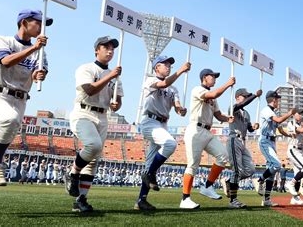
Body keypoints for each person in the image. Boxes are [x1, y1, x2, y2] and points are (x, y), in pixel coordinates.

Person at [0, 9, 51, 216]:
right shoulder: (2, 40)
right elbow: (6, 61)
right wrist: (34, 49)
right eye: (39, 23)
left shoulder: (41, 51)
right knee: (8, 120)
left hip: (20, 99)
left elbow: (40, 73)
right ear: (24, 22)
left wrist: (39, 74)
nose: (41, 28)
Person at [65, 36, 124, 213]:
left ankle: (80, 199)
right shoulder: (87, 68)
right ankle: (72, 173)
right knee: (93, 145)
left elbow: (118, 100)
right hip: (84, 112)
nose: (110, 50)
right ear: (96, 50)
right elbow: (89, 90)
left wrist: (116, 104)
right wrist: (110, 76)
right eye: (105, 46)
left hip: (103, 116)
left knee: (93, 161)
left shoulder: (116, 77)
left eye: (112, 47)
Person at [135, 55, 190, 211]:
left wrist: (181, 110)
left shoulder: (174, 89)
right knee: (170, 143)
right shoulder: (150, 80)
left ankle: (141, 200)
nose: (168, 66)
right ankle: (151, 173)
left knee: (148, 164)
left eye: (170, 64)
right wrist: (180, 71)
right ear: (156, 67)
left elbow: (178, 107)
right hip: (149, 121)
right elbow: (164, 83)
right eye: (164, 64)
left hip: (163, 124)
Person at [180, 68, 235, 209]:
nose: (215, 79)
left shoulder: (213, 98)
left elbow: (218, 115)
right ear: (205, 77)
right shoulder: (197, 89)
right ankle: (185, 199)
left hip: (208, 131)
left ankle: (207, 186)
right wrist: (228, 84)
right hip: (195, 129)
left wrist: (226, 118)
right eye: (213, 76)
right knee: (193, 165)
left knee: (223, 155)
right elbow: (214, 93)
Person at [253, 90, 297, 207]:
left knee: (272, 173)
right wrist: (289, 113)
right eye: (277, 99)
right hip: (265, 141)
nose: (278, 101)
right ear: (273, 99)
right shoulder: (266, 110)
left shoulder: (273, 112)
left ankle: (266, 199)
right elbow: (278, 120)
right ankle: (259, 180)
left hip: (272, 141)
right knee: (277, 165)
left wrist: (289, 135)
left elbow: (280, 129)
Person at [221, 88, 262, 209]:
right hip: (234, 139)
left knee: (250, 169)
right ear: (238, 97)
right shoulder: (233, 107)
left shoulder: (247, 113)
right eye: (245, 96)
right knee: (237, 170)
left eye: (247, 96)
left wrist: (254, 127)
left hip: (243, 141)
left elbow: (249, 128)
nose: (246, 98)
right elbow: (243, 104)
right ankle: (233, 201)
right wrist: (254, 95)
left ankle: (228, 181)